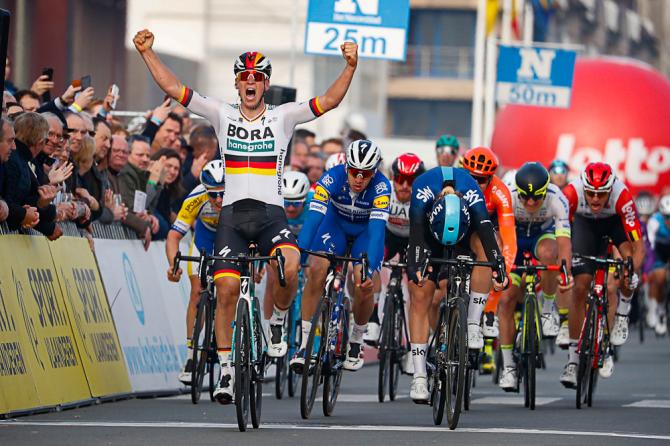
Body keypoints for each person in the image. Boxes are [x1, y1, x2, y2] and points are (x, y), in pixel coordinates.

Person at [134, 28, 359, 404]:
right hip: (233, 217)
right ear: (237, 83)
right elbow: (176, 89)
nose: (250, 82)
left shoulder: (284, 116)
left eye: (257, 77)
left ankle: (274, 325)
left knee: (289, 263)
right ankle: (225, 373)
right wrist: (147, 53)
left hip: (271, 213)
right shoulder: (220, 113)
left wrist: (350, 66)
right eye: (244, 77)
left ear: (266, 84)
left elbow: (330, 101)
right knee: (223, 291)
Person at [405, 164, 508, 403]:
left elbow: (485, 229)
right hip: (431, 235)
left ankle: (472, 322)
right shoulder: (422, 192)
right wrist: (416, 269)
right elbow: (416, 238)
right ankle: (419, 375)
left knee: (485, 251)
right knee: (420, 293)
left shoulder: (471, 191)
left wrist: (497, 265)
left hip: (465, 230)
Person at [293, 139, 389, 373]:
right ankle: (305, 344)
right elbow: (313, 219)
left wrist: (370, 268)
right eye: (354, 172)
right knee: (316, 268)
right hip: (334, 226)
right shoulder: (331, 178)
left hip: (365, 232)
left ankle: (356, 340)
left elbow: (377, 234)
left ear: (374, 172)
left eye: (365, 174)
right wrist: (299, 253)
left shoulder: (382, 187)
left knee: (363, 283)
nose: (359, 178)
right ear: (347, 168)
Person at [560, 162, 645, 386]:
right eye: (590, 193)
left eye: (601, 194)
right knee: (580, 287)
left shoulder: (622, 196)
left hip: (614, 225)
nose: (596, 199)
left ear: (611, 188)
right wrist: (566, 268)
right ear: (583, 188)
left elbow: (638, 243)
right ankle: (573, 361)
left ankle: (623, 312)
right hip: (584, 227)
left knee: (625, 265)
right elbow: (561, 235)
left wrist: (631, 272)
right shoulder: (571, 193)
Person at [496, 162, 574, 391]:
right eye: (525, 198)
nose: (530, 203)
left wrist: (565, 271)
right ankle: (509, 366)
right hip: (515, 239)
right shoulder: (508, 195)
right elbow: (498, 236)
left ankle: (549, 310)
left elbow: (564, 242)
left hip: (543, 236)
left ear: (545, 192)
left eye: (536, 198)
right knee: (507, 299)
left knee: (550, 254)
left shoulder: (557, 198)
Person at [459, 147, 517, 374]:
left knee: (489, 247)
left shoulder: (500, 192)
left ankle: (474, 321)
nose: (475, 183)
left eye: (481, 180)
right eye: (471, 178)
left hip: (482, 232)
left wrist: (503, 271)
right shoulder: (451, 182)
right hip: (454, 229)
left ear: (491, 178)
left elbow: (508, 237)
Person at [166, 160, 225, 384]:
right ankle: (191, 355)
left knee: (230, 288)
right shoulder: (196, 196)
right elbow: (174, 236)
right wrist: (173, 265)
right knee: (197, 292)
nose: (218, 200)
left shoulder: (240, 195)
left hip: (232, 239)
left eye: (222, 194)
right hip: (205, 239)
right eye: (213, 195)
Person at [363, 152, 425, 345]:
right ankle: (373, 319)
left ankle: (413, 346)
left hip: (413, 239)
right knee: (370, 263)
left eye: (410, 180)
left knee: (418, 286)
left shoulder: (424, 196)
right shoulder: (384, 191)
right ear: (393, 178)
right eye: (400, 179)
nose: (404, 186)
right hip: (388, 235)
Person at [2, 112, 61, 239]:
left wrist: (40, 205)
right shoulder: (14, 161)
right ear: (40, 142)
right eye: (10, 141)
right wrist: (27, 214)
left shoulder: (23, 161)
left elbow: (22, 202)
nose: (13, 147)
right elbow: (11, 202)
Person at [263, 170, 311, 320]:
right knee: (272, 278)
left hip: (306, 243)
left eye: (296, 203)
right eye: (286, 202)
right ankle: (270, 327)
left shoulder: (314, 204)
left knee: (314, 274)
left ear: (305, 200)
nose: (290, 208)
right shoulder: (270, 205)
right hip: (280, 242)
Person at [647, 195, 670, 336]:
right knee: (659, 277)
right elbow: (650, 247)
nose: (669, 221)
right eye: (667, 217)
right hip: (659, 251)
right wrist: (649, 269)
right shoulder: (654, 221)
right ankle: (660, 311)